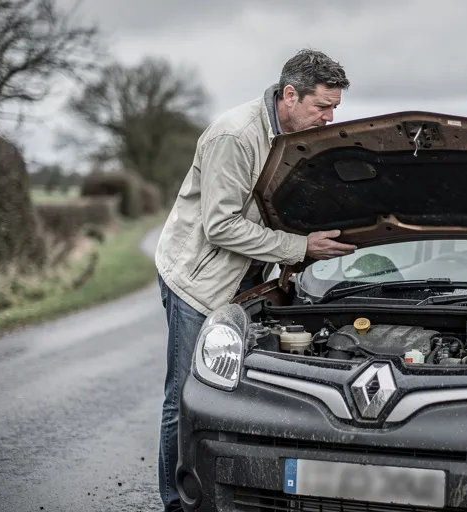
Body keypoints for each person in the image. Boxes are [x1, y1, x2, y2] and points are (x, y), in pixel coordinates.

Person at [152, 49, 358, 512]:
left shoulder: (300, 134)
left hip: (249, 285)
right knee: (185, 397)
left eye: (335, 109)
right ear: (290, 94)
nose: (328, 119)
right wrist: (300, 248)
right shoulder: (235, 135)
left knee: (236, 392)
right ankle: (174, 503)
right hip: (198, 283)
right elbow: (221, 226)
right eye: (322, 107)